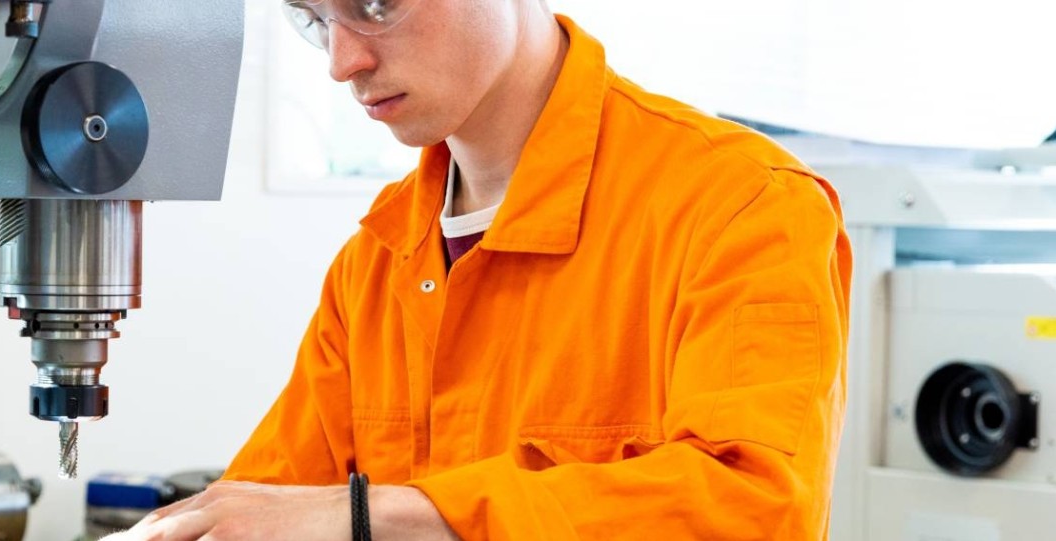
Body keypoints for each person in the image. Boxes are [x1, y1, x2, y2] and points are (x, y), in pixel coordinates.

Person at [107, 1, 852, 539]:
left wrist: (375, 517)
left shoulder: (742, 206)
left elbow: (755, 510)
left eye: (375, 5)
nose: (343, 62)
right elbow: (268, 505)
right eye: (312, 18)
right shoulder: (377, 259)